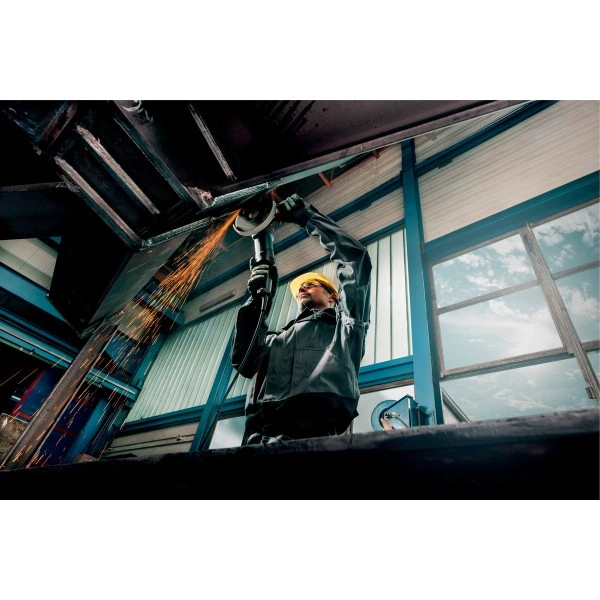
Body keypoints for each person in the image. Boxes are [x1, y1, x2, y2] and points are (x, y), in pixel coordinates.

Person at [231, 193, 372, 445]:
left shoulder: (346, 330)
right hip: (257, 441)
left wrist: (307, 217)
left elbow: (355, 261)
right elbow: (244, 363)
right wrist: (256, 299)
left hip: (316, 443)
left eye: (311, 285)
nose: (302, 289)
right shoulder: (274, 340)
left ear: (332, 297)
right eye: (299, 290)